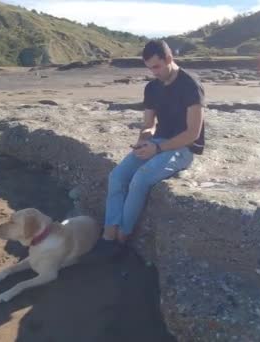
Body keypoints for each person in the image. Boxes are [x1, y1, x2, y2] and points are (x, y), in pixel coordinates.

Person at [87, 40, 206, 260]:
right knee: (117, 176)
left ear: (169, 59)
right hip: (157, 143)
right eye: (150, 68)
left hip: (183, 148)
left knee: (140, 179)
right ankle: (109, 233)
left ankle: (122, 237)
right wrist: (143, 141)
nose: (154, 72)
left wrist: (158, 147)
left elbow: (193, 134)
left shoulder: (190, 85)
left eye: (157, 67)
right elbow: (149, 125)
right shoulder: (152, 87)